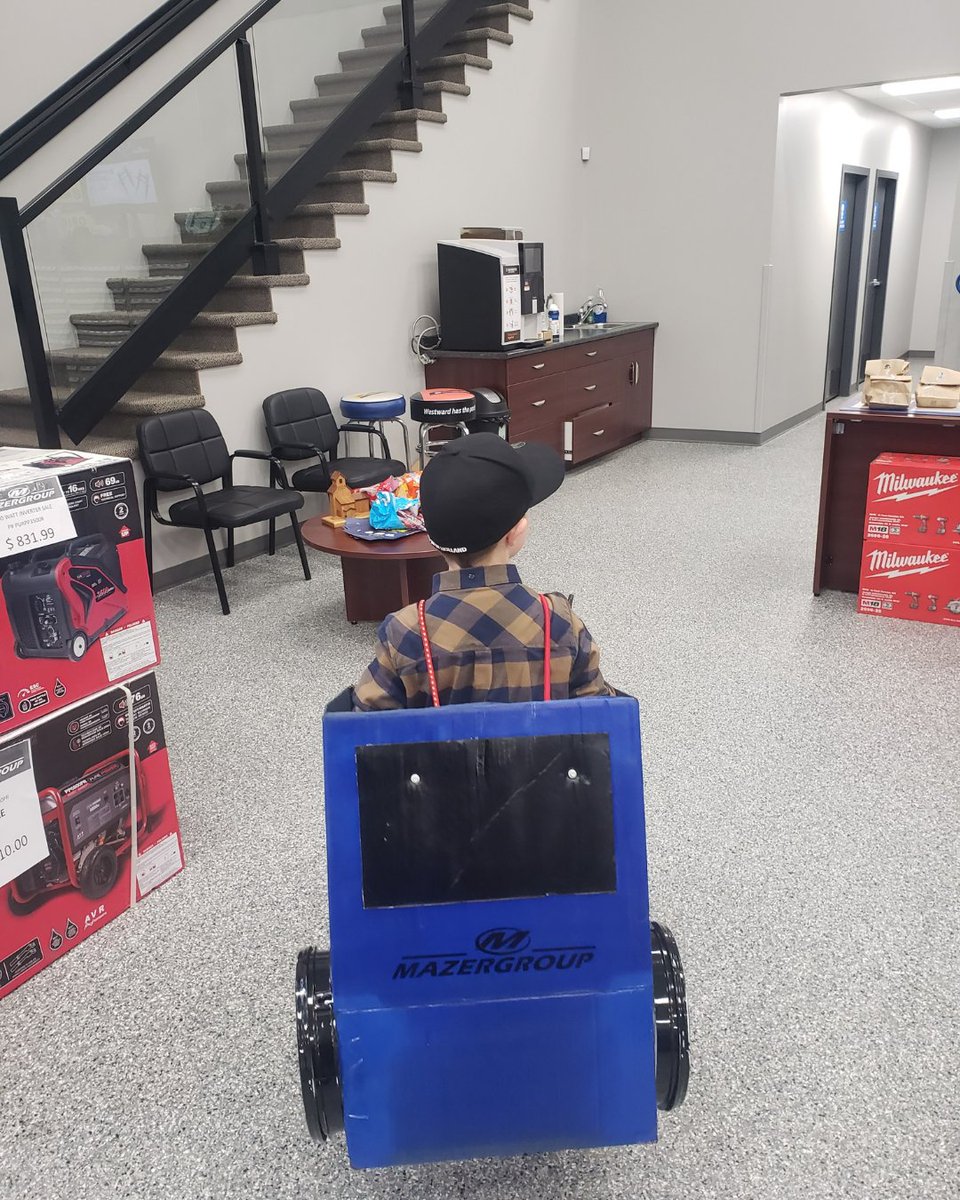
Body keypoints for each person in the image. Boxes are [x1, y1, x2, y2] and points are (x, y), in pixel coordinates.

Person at [351, 433, 616, 710]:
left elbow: (366, 731)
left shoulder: (404, 631)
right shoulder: (559, 621)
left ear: (429, 533)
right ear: (516, 532)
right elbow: (600, 717)